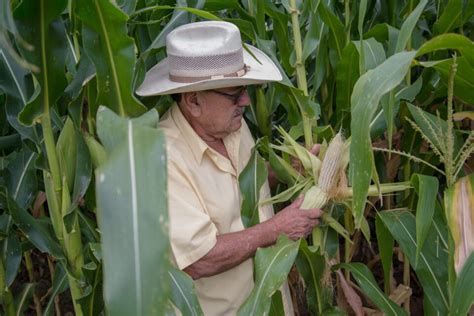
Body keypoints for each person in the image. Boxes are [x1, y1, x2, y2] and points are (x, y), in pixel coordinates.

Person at [136, 21, 322, 315]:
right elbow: (199, 258)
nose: (246, 101)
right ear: (194, 100)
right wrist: (278, 228)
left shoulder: (229, 126)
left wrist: (288, 171)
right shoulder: (162, 160)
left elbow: (246, 182)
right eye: (235, 94)